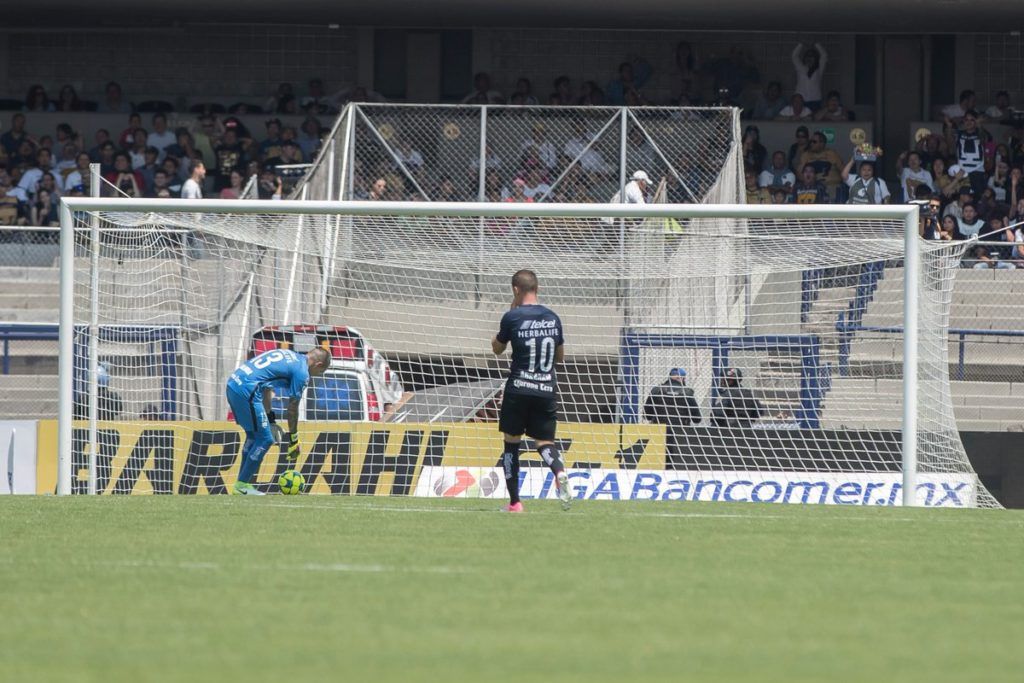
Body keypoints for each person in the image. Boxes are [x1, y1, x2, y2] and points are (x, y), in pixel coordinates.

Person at [490, 269, 572, 512]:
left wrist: (507, 325)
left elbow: (497, 349)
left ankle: (515, 503)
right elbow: (560, 357)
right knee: (545, 443)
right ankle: (559, 471)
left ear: (516, 290)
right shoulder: (553, 318)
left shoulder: (512, 317)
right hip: (546, 389)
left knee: (511, 444)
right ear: (537, 288)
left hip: (518, 388)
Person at [225, 347, 331, 495]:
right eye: (320, 373)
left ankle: (242, 484)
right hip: (247, 389)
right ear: (318, 365)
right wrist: (293, 439)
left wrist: (271, 420)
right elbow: (292, 409)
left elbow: (267, 388)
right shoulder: (302, 373)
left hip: (233, 383)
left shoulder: (288, 354)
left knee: (253, 436)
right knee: (266, 439)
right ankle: (242, 485)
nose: (316, 375)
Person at [791, 42, 827, 110]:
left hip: (815, 100)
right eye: (807, 56)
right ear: (804, 58)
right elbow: (794, 56)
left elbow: (824, 55)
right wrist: (801, 44)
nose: (809, 58)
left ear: (815, 58)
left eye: (812, 56)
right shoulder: (800, 67)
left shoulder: (819, 69)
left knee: (814, 119)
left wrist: (816, 44)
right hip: (800, 101)